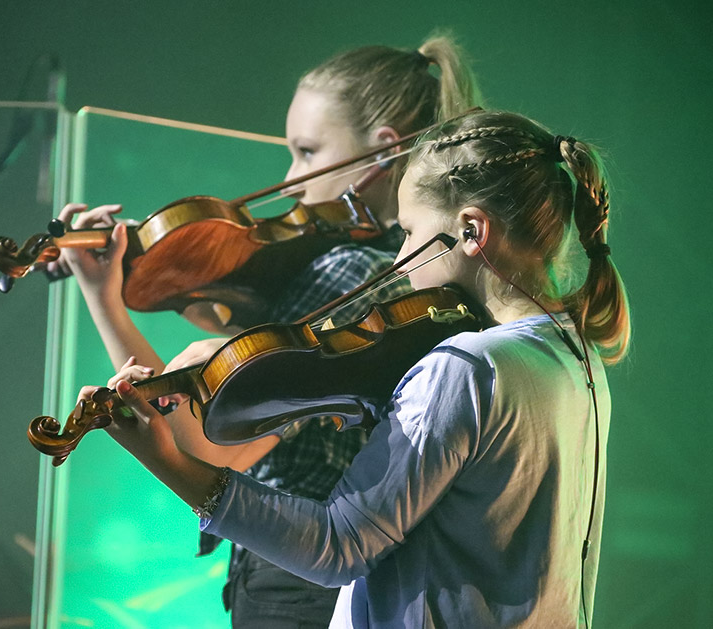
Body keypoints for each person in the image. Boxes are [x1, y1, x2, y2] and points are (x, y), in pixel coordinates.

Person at [93, 109, 630, 627]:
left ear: (471, 232)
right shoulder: (575, 357)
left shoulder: (466, 368)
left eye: (411, 232)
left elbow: (337, 546)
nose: (400, 259)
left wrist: (164, 458)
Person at [55, 38, 480, 626]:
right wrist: (115, 292)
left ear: (382, 152)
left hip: (294, 578)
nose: (293, 179)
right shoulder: (382, 272)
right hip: (304, 574)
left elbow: (208, 441)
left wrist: (113, 313)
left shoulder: (350, 276)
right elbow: (208, 399)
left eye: (308, 152)